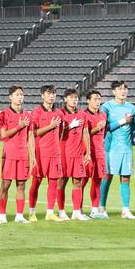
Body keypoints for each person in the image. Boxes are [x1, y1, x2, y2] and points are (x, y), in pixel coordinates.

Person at [99, 80, 135, 220]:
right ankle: (102, 208)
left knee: (125, 178)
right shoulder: (106, 107)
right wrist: (123, 121)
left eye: (125, 89)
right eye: (120, 89)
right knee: (107, 177)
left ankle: (125, 210)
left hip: (127, 149)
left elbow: (134, 130)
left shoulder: (132, 108)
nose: (123, 91)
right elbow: (104, 128)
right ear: (113, 91)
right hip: (111, 149)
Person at [0, 86, 35, 224]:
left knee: (21, 185)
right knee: (5, 184)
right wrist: (19, 126)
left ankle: (19, 215)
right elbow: (3, 134)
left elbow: (30, 137)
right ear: (10, 97)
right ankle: (2, 215)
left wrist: (33, 156)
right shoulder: (4, 114)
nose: (20, 97)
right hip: (9, 154)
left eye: (22, 95)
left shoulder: (28, 115)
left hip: (23, 155)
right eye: (17, 94)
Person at [28, 85, 63, 222]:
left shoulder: (59, 113)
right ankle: (32, 212)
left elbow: (60, 134)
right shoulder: (36, 113)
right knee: (36, 182)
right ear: (42, 95)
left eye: (53, 93)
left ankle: (50, 212)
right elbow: (34, 133)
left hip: (55, 153)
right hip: (40, 153)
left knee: (54, 182)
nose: (52, 96)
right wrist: (50, 126)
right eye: (49, 93)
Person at [56, 88, 91, 221]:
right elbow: (57, 134)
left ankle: (76, 211)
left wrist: (88, 152)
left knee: (78, 182)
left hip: (77, 154)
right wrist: (69, 126)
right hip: (63, 153)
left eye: (76, 98)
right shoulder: (60, 114)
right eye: (71, 98)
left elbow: (86, 133)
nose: (74, 100)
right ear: (65, 99)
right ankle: (61, 211)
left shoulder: (82, 114)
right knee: (62, 182)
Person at [82, 90, 108, 219]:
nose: (98, 102)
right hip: (87, 152)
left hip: (100, 153)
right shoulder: (84, 115)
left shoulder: (103, 115)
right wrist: (97, 128)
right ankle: (78, 209)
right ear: (88, 100)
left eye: (99, 99)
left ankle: (94, 210)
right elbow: (83, 135)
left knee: (97, 182)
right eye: (95, 99)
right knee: (83, 181)